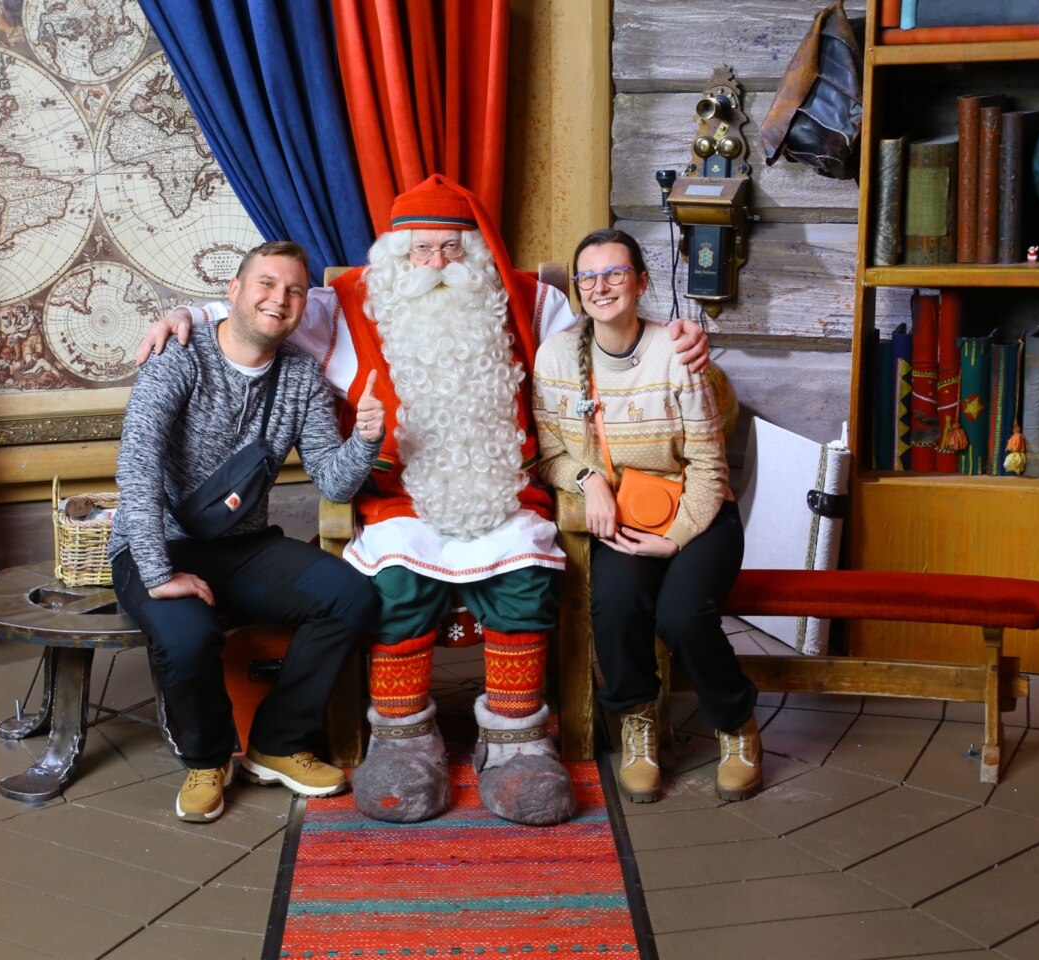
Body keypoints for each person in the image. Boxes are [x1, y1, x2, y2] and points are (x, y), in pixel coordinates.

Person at [139, 175, 711, 826]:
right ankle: (404, 744)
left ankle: (518, 745)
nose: (437, 263)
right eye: (421, 249)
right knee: (395, 583)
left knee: (524, 574)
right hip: (399, 503)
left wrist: (673, 336)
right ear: (396, 256)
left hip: (505, 495)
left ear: (475, 251)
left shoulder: (531, 301)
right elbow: (264, 306)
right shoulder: (348, 304)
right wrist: (189, 317)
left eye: (450, 248)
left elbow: (606, 339)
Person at [109, 240, 384, 824]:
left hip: (241, 546)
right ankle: (208, 759)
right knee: (189, 637)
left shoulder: (301, 376)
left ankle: (278, 743)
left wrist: (365, 439)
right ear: (233, 291)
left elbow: (333, 483)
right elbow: (137, 464)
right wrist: (157, 573)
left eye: (293, 291)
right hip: (157, 544)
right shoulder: (179, 356)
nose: (278, 298)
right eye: (266, 283)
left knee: (351, 596)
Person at [533, 228, 761, 804]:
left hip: (700, 514)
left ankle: (735, 724)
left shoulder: (678, 352)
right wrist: (589, 482)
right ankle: (639, 726)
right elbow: (550, 454)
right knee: (615, 605)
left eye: (615, 273)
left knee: (682, 616)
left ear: (641, 281)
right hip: (625, 517)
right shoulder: (555, 356)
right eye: (589, 277)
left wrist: (677, 537)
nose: (601, 286)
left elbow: (710, 468)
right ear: (578, 288)